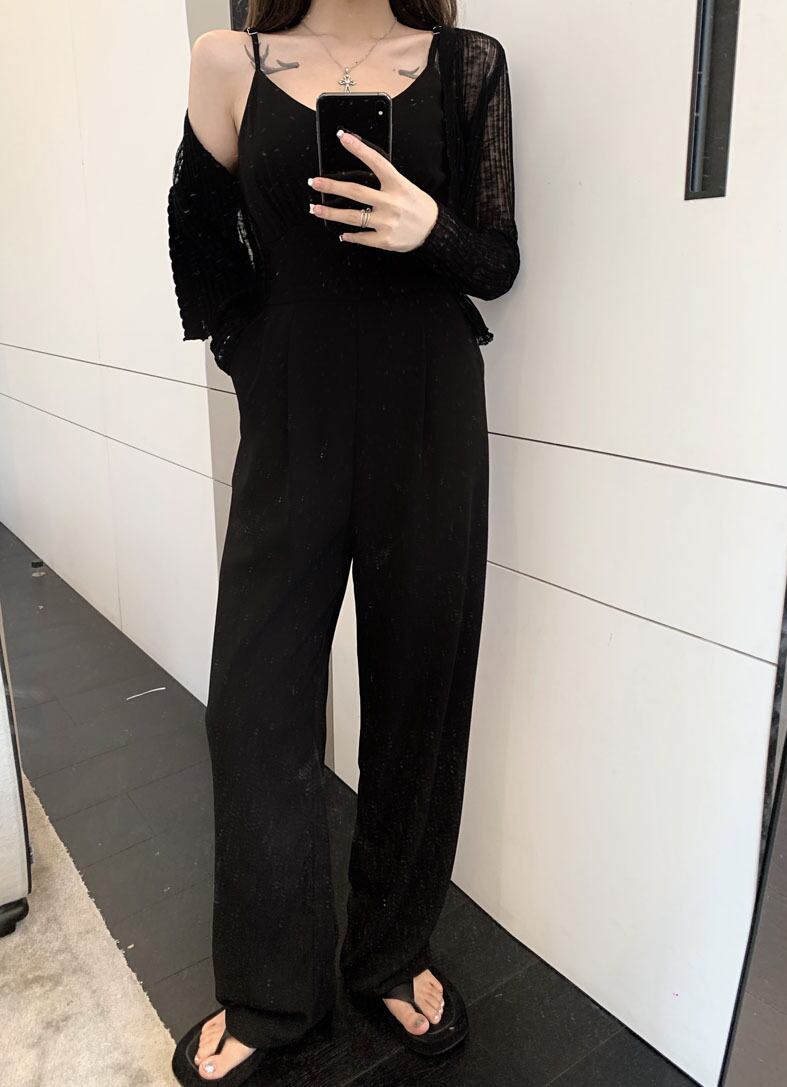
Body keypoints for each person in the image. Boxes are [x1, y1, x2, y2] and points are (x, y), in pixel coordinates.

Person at [167, 0, 519, 1081]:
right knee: (255, 702)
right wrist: (258, 356)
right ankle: (272, 991)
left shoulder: (467, 64)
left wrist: (430, 229)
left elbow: (497, 260)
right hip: (293, 417)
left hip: (429, 412)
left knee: (419, 692)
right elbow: (198, 242)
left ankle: (390, 953)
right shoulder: (229, 61)